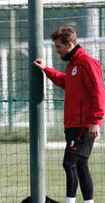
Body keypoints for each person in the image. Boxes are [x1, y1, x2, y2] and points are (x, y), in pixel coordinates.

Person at [33, 26, 105, 203]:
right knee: (80, 165)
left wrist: (95, 120)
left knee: (69, 163)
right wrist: (46, 70)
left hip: (83, 125)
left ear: (70, 43)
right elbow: (66, 82)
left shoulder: (87, 63)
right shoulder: (73, 65)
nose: (57, 51)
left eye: (59, 47)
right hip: (73, 124)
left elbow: (98, 91)